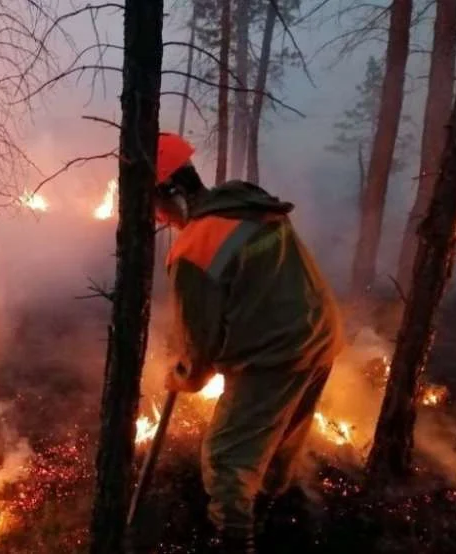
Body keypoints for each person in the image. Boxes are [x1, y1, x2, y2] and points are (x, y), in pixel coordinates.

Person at [155, 132, 345, 553]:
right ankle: (271, 514)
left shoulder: (193, 248)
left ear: (171, 194)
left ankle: (235, 540)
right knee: (278, 441)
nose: (162, 220)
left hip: (275, 355)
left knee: (226, 461)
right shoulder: (244, 202)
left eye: (159, 209)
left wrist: (181, 375)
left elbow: (198, 350)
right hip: (321, 337)